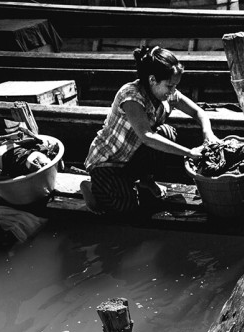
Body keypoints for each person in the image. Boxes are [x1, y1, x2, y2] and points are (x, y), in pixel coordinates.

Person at [81, 45, 220, 215]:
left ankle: (145, 181)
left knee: (167, 133)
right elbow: (147, 137)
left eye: (175, 86)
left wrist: (208, 133)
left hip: (132, 157)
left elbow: (198, 112)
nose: (173, 91)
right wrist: (189, 152)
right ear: (153, 80)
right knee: (126, 207)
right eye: (170, 86)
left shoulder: (166, 92)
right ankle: (92, 187)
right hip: (109, 162)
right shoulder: (131, 95)